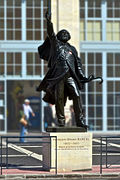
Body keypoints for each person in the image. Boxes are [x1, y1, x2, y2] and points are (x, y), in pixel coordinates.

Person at [37, 11, 90, 128]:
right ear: (59, 37)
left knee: (76, 95)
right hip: (58, 76)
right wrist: (48, 21)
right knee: (59, 98)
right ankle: (61, 120)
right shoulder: (56, 45)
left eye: (67, 33)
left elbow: (78, 65)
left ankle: (79, 120)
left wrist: (83, 76)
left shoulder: (72, 49)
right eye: (62, 33)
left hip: (70, 76)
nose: (65, 34)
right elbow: (51, 34)